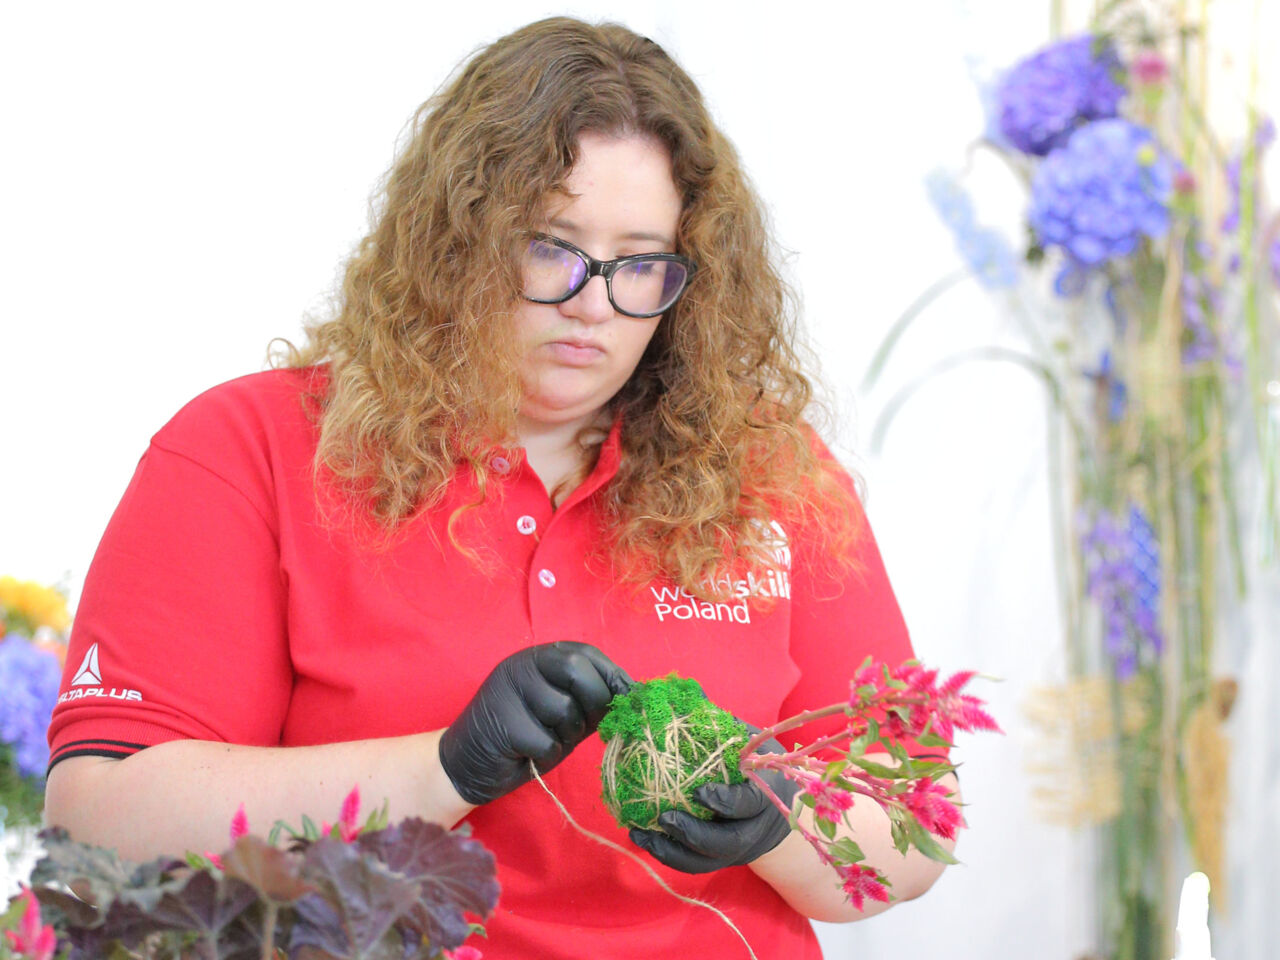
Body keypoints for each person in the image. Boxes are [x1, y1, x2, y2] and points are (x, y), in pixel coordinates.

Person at [45, 17, 959, 959]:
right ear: (457, 241)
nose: (594, 302)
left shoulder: (776, 472)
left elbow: (914, 825)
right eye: (551, 247)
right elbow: (100, 825)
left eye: (641, 263)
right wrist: (443, 766)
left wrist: (780, 821)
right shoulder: (252, 447)